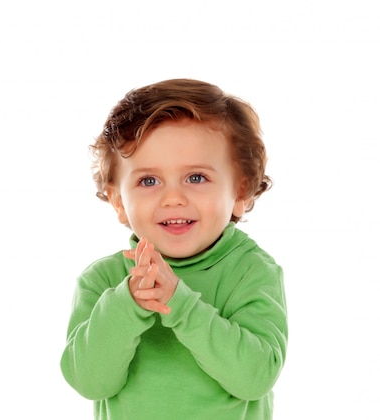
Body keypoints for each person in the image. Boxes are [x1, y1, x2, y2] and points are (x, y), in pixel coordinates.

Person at [60, 78, 288, 419]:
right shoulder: (102, 280)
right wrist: (128, 304)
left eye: (196, 177)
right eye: (148, 181)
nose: (173, 198)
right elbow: (89, 382)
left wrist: (179, 304)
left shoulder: (250, 271)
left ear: (241, 192)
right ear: (119, 201)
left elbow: (255, 378)